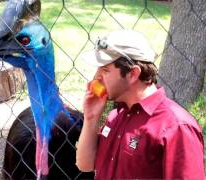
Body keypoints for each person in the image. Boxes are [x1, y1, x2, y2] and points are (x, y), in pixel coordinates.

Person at [76, 29, 204, 179]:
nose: (96, 76)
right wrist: (91, 118)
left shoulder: (176, 127)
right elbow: (85, 165)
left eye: (105, 70)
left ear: (133, 73)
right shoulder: (116, 115)